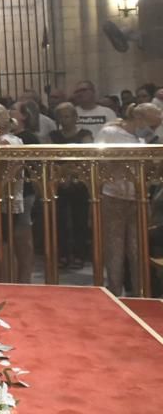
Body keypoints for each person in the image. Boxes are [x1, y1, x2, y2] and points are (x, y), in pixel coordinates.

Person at [95, 103, 163, 296]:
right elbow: (98, 161)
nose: (152, 129)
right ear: (139, 119)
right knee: (115, 247)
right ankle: (115, 292)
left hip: (139, 197)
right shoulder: (111, 133)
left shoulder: (143, 138)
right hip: (113, 195)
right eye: (151, 124)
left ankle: (140, 292)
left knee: (137, 248)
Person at [0, 102, 34, 283]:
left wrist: (0, 186)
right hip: (14, 195)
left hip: (8, 198)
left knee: (8, 243)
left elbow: (11, 169)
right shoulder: (14, 138)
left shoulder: (4, 141)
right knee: (19, 242)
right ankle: (21, 279)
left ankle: (9, 279)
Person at [50, 102, 93, 270]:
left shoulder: (85, 134)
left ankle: (79, 254)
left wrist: (72, 174)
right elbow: (51, 157)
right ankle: (62, 254)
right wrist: (62, 175)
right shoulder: (53, 135)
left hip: (80, 182)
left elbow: (86, 157)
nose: (64, 119)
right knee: (59, 220)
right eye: (61, 116)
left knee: (79, 220)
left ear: (75, 117)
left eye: (67, 116)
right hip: (59, 182)